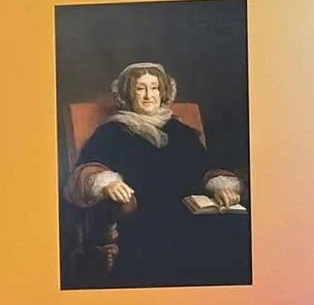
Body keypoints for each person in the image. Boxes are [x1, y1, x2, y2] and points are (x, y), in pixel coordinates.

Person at [64, 62, 244, 286]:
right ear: (128, 94)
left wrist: (221, 186)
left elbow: (206, 168)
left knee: (233, 232)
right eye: (140, 88)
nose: (149, 95)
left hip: (191, 212)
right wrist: (107, 184)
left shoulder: (181, 131)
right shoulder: (111, 131)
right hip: (142, 217)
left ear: (164, 92)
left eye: (155, 88)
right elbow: (85, 171)